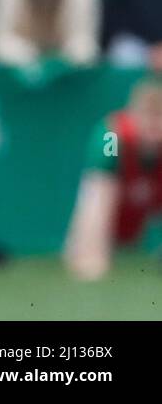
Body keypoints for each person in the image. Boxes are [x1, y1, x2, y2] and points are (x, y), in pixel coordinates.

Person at [64, 77, 162, 281]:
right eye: (149, 117)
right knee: (97, 193)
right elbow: (97, 191)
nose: (155, 128)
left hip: (150, 196)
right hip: (115, 199)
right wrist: (92, 253)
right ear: (134, 115)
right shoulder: (111, 136)